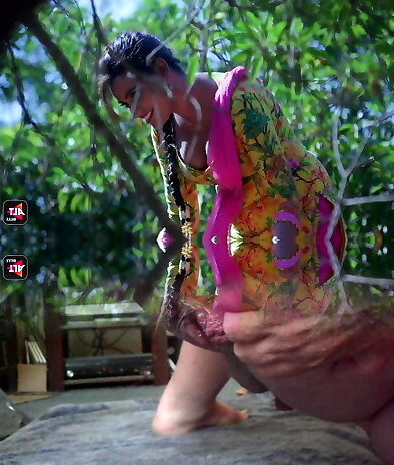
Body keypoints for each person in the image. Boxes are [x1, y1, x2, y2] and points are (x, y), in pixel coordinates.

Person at [98, 31, 394, 464]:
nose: (135, 113)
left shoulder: (239, 98)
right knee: (222, 325)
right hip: (238, 225)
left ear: (160, 70)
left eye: (134, 96)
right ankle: (209, 393)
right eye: (126, 105)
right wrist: (177, 302)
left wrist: (246, 312)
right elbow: (180, 208)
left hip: (300, 212)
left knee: (253, 334)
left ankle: (265, 375)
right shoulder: (163, 128)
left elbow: (276, 196)